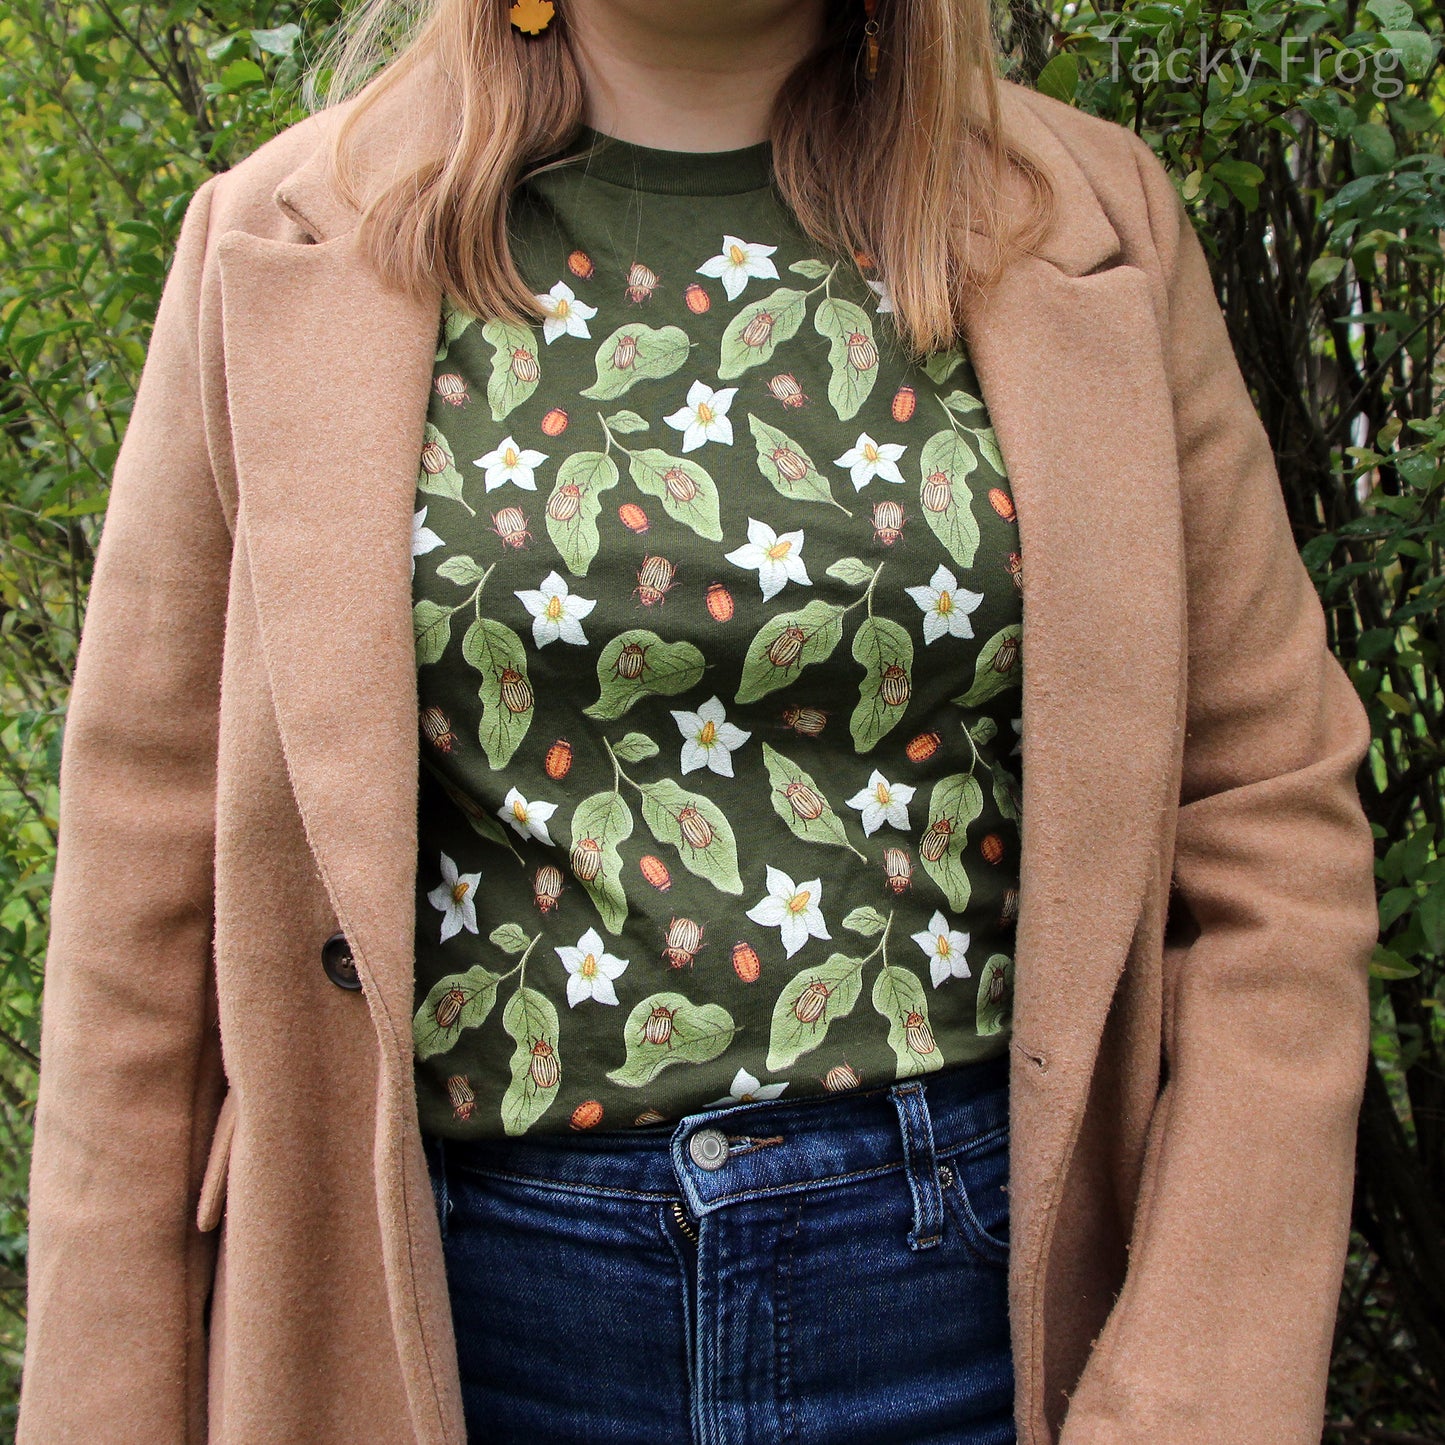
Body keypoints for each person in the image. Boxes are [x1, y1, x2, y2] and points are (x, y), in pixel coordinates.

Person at [16, 0, 1380, 1441]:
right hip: (447, 1327)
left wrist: (1193, 1393)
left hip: (979, 1312)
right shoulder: (279, 240)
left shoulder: (1088, 225)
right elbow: (139, 917)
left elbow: (1268, 822)